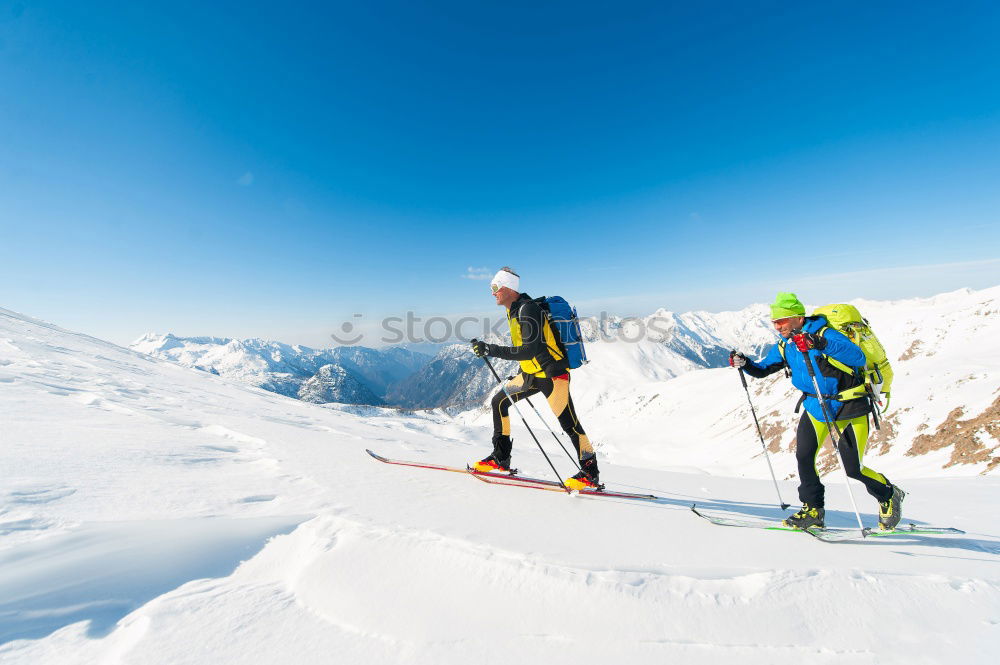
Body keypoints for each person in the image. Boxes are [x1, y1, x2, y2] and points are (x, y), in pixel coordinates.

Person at [730, 292, 904, 530]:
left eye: (781, 320)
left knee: (854, 468)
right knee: (804, 457)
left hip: (849, 406)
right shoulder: (786, 345)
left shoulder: (824, 333)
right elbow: (763, 370)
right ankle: (812, 510)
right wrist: (745, 363)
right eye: (774, 321)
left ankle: (889, 494)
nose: (776, 325)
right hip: (815, 407)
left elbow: (857, 356)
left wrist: (819, 344)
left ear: (798, 318)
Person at [470, 267, 600, 490]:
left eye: (494, 287)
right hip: (531, 374)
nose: (492, 293)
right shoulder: (514, 310)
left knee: (569, 424)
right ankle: (501, 458)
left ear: (507, 288)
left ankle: (590, 472)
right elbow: (529, 352)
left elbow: (529, 350)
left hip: (552, 375)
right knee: (499, 401)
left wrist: (489, 349)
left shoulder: (528, 310)